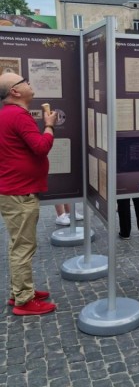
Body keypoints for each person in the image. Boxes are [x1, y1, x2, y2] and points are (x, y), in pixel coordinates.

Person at [0, 72, 58, 315]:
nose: (29, 83)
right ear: (14, 91)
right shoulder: (19, 115)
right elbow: (41, 147)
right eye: (23, 81)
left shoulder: (6, 115)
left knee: (18, 244)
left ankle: (19, 292)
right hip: (19, 192)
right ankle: (24, 300)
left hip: (14, 190)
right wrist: (48, 126)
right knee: (23, 247)